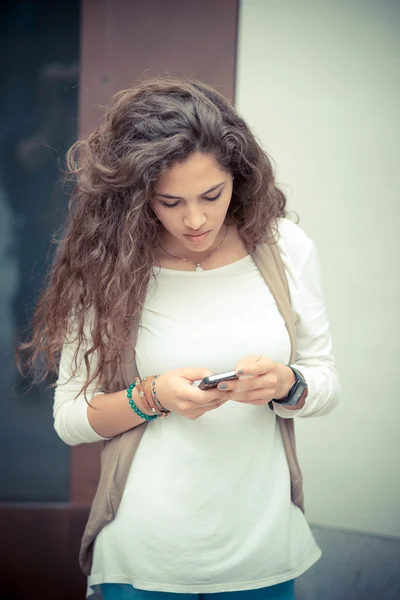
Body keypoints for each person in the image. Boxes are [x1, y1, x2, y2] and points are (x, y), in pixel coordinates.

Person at [19, 78, 340, 600]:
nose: (195, 219)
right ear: (136, 195)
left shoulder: (286, 249)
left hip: (263, 548)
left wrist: (286, 384)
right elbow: (70, 420)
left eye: (212, 195)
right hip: (144, 551)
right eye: (170, 201)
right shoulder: (108, 266)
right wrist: (154, 397)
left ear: (238, 176)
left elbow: (324, 381)